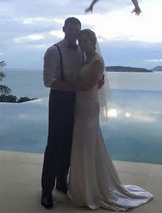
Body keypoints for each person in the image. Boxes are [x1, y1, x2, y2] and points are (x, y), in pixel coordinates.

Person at [68, 29, 153, 211]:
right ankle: (83, 186)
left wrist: (66, 86)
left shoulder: (97, 60)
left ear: (93, 41)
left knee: (88, 143)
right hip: (80, 105)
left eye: (85, 41)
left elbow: (88, 85)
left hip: (88, 106)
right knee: (82, 143)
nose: (82, 44)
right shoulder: (86, 60)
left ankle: (93, 189)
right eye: (80, 41)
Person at [41, 17, 86, 209]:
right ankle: (46, 190)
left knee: (70, 142)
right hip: (59, 99)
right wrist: (74, 88)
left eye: (77, 30)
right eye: (71, 29)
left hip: (79, 100)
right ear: (63, 29)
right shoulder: (53, 51)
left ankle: (61, 181)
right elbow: (48, 81)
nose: (74, 33)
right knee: (54, 144)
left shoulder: (83, 52)